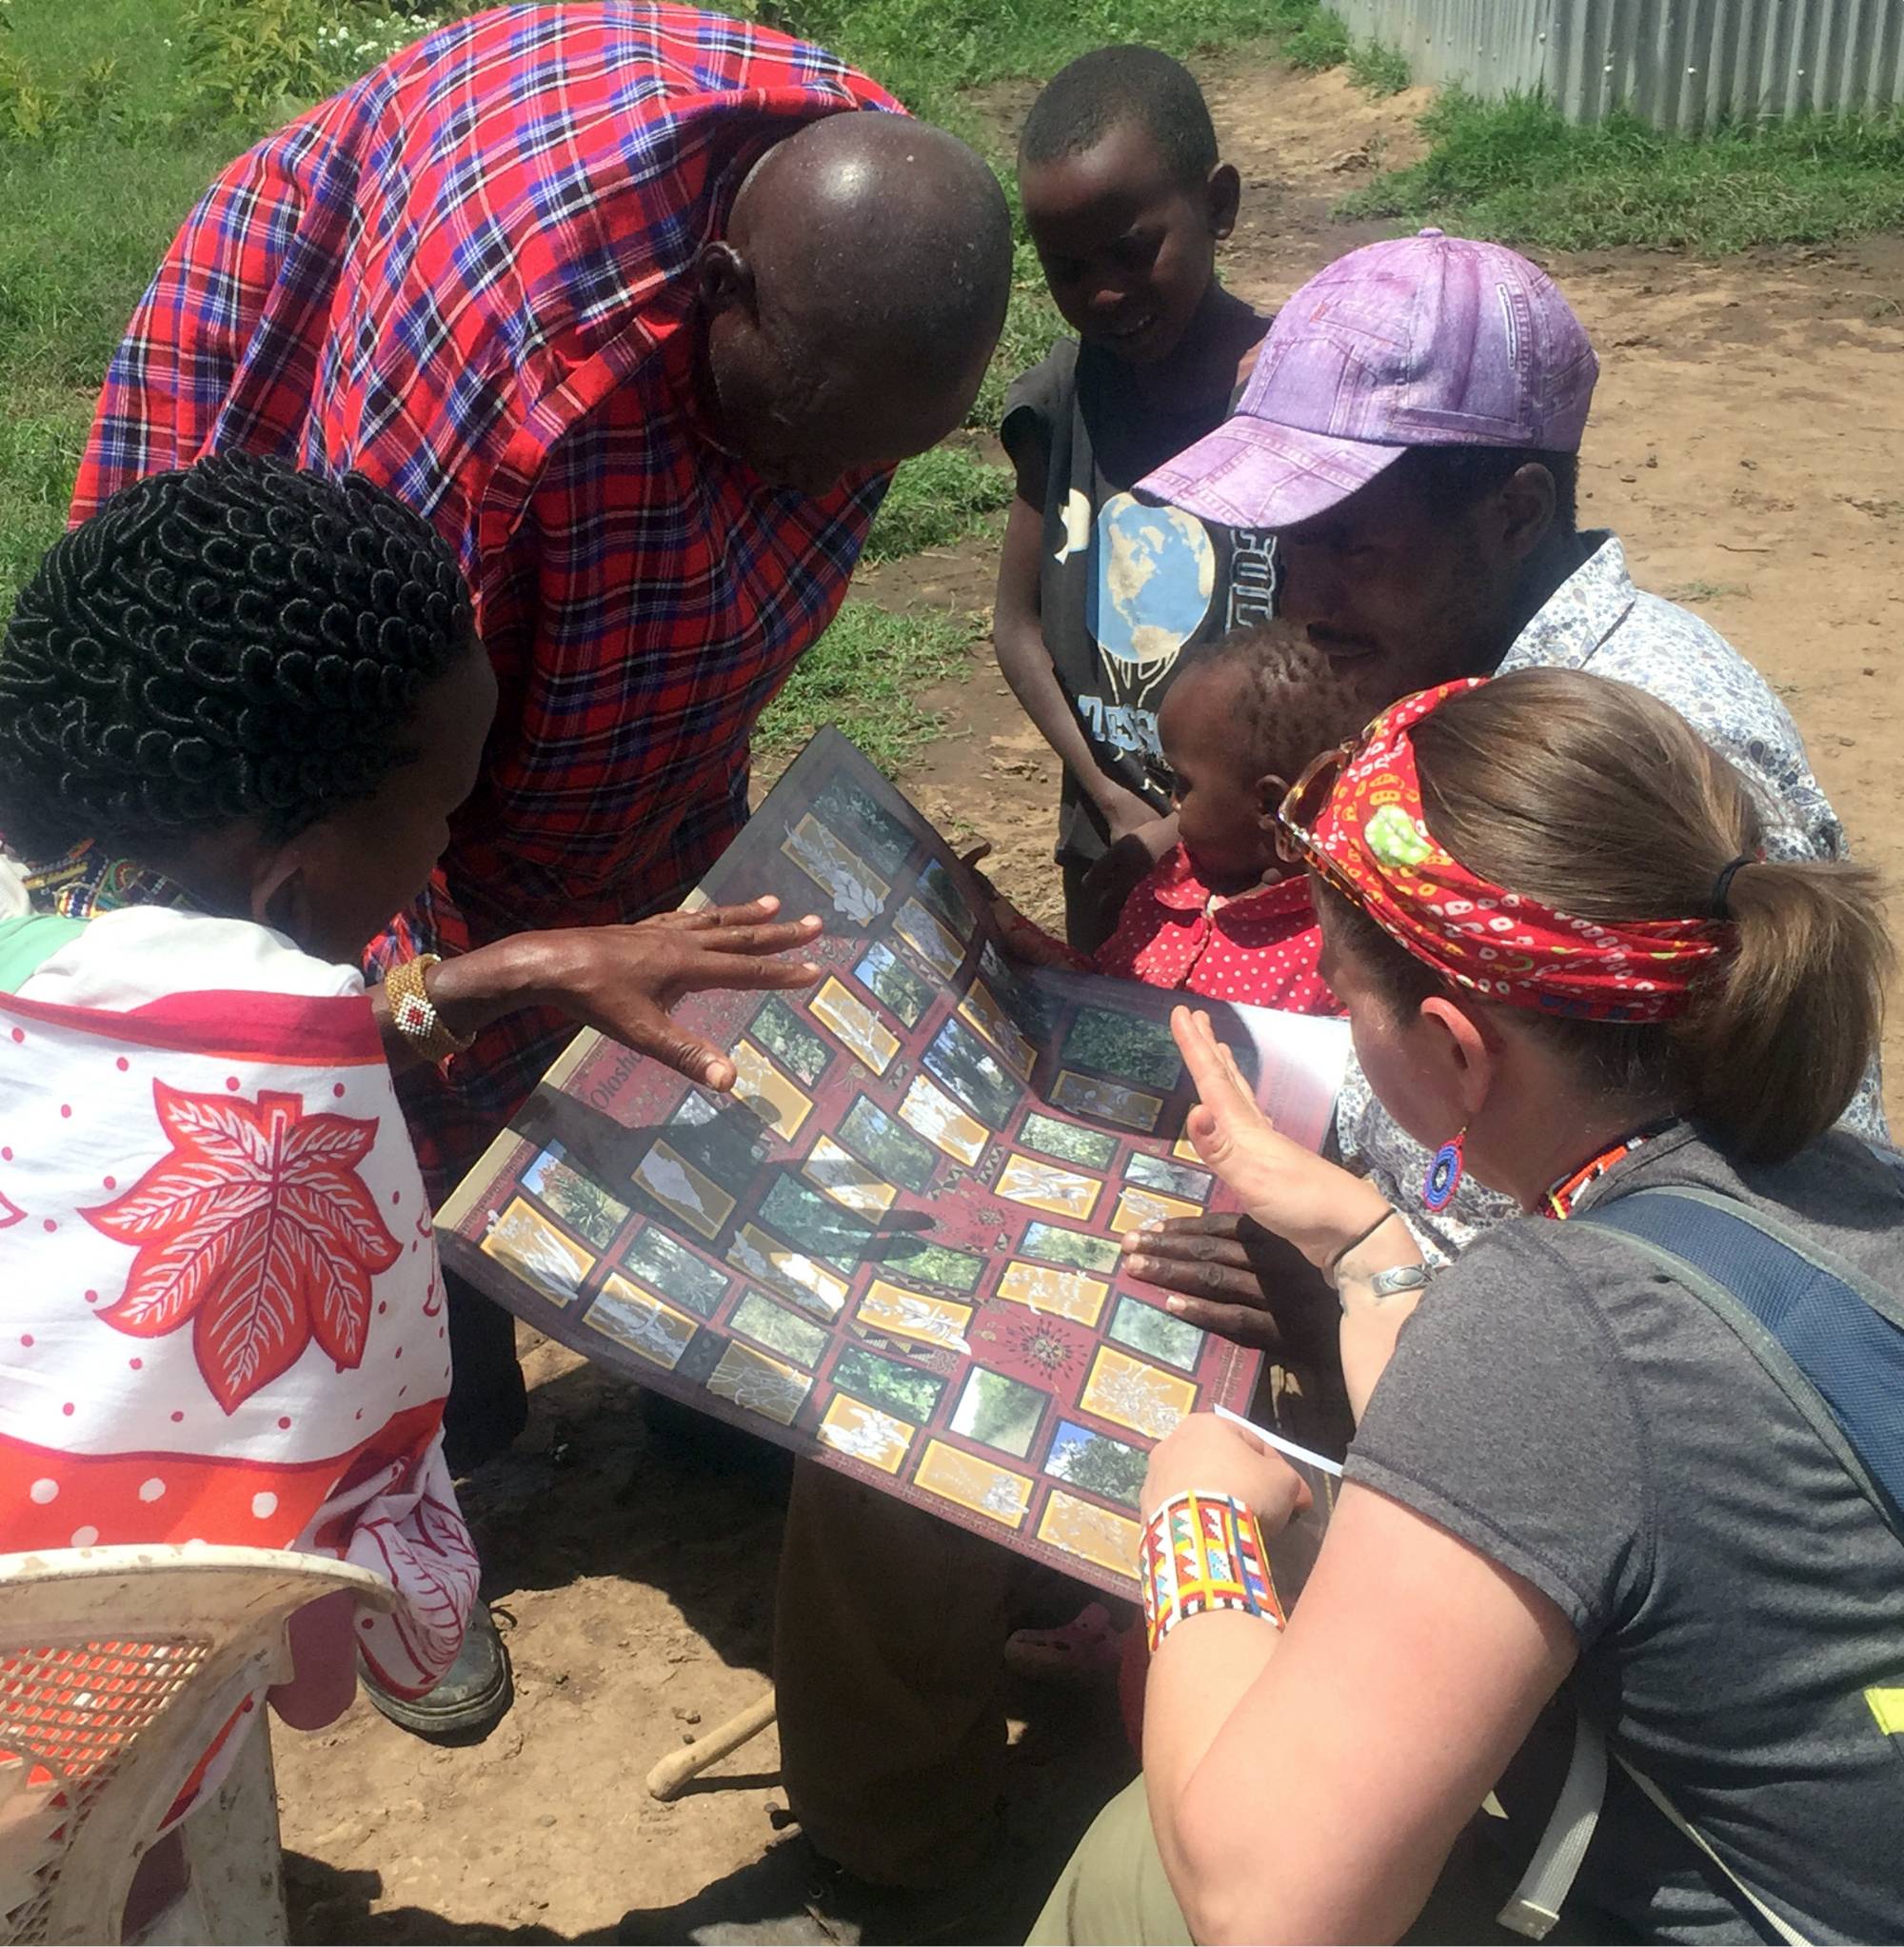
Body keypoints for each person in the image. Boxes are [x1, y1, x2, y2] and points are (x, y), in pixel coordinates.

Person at [73, 3, 1013, 1733]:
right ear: (721, 289)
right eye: (794, 440)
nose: (814, 494)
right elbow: (369, 778)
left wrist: (580, 918)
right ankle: (430, 1432)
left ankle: (645, 1345)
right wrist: (469, 921)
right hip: (399, 611)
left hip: (447, 743)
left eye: (859, 466)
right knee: (371, 1063)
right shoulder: (495, 372)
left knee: (659, 919)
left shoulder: (873, 249)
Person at [1032, 666, 1904, 1945]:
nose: (1337, 1010)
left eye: (1343, 988)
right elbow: (1587, 1465)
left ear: (1452, 1048)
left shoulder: (1558, 1325)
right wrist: (1361, 1233)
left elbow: (1266, 1905)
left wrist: (1197, 1513)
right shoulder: (1833, 1172)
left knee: (1141, 1876)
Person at [1121, 226, 1889, 1345]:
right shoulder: (1438, 675)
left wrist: (1380, 1289)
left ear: (1516, 512)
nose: (1305, 598)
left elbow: (1758, 1236)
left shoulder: (1653, 748)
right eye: (1291, 547)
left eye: (1350, 548)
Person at [995, 46, 1276, 949]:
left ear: (1217, 206)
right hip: (1111, 853)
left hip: (1274, 863)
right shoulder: (1060, 405)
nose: (1104, 292)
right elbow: (1020, 625)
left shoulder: (1295, 407)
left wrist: (1187, 827)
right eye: (1069, 270)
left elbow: (1352, 661)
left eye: (1130, 251)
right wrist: (1111, 798)